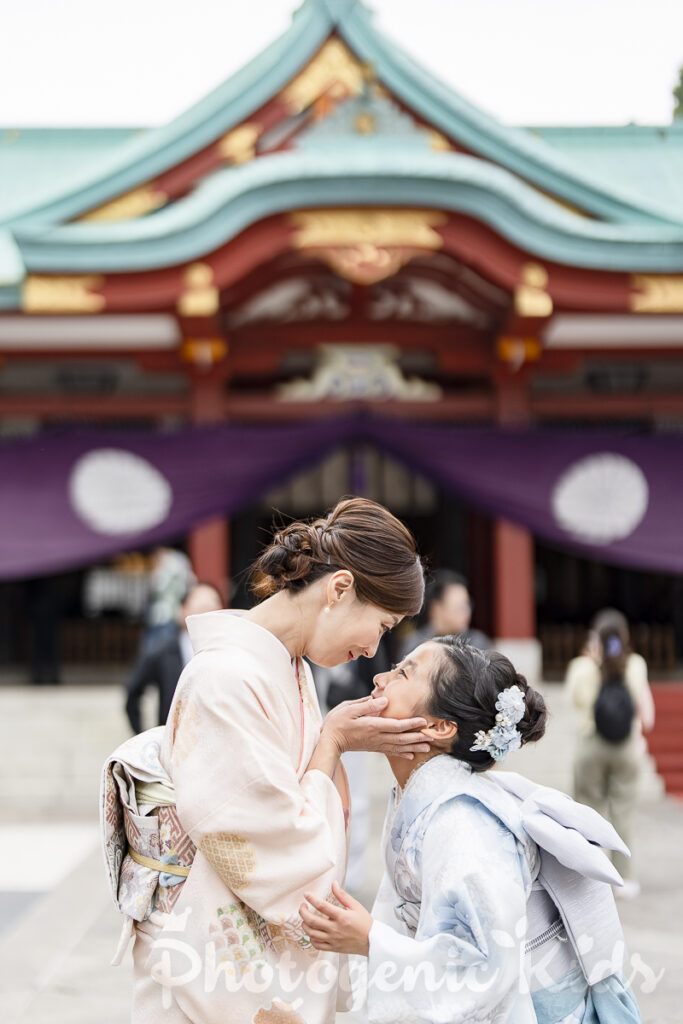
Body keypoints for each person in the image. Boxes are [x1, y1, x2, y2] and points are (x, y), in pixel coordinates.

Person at [111, 498, 430, 1023]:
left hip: (238, 955)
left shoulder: (285, 666)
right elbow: (277, 852)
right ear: (340, 589)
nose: (375, 649)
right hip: (210, 960)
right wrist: (332, 742)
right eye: (382, 624)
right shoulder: (224, 679)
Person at [300, 638, 642, 1024]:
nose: (380, 678)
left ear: (440, 727)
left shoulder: (463, 824)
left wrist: (371, 940)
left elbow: (484, 969)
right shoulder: (432, 802)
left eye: (403, 674)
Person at [566, 608, 655, 900]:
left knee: (587, 810)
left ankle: (589, 876)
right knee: (623, 811)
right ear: (624, 636)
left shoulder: (582, 666)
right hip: (626, 745)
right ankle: (624, 878)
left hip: (592, 743)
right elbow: (643, 705)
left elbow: (575, 700)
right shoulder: (636, 664)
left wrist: (591, 662)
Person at [124, 582, 224, 734]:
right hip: (174, 737)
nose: (207, 617)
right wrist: (143, 735)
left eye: (213, 610)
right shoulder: (163, 650)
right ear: (182, 611)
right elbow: (134, 691)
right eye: (201, 610)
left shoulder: (229, 651)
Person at [399, 569, 491, 658]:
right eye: (459, 607)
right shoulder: (416, 645)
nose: (467, 612)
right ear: (437, 609)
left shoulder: (477, 643)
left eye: (468, 605)